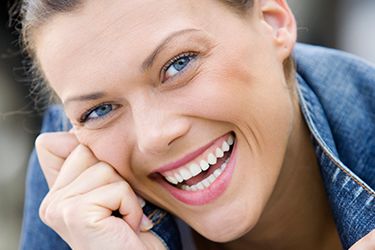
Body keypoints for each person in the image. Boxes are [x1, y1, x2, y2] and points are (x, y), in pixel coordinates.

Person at [19, 0, 375, 249]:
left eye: (179, 63)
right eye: (99, 111)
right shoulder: (74, 202)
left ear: (272, 21)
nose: (154, 136)